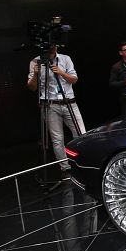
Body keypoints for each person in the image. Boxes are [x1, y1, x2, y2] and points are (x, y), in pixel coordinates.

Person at [27, 46, 85, 179]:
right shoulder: (35, 61)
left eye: (55, 44)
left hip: (69, 102)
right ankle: (65, 168)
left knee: (81, 134)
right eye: (50, 44)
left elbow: (74, 79)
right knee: (57, 139)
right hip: (50, 105)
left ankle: (83, 161)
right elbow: (32, 87)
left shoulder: (65, 58)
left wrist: (61, 73)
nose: (53, 46)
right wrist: (35, 74)